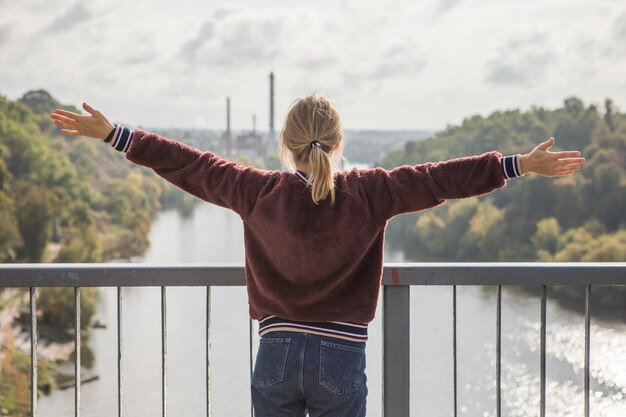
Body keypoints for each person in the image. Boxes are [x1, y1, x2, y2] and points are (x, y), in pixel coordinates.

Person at [50, 94, 585, 417]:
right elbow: (439, 178)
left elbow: (189, 165)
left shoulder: (255, 190)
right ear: (338, 140)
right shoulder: (371, 191)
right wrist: (515, 164)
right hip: (341, 355)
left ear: (286, 144)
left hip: (276, 353)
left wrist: (117, 135)